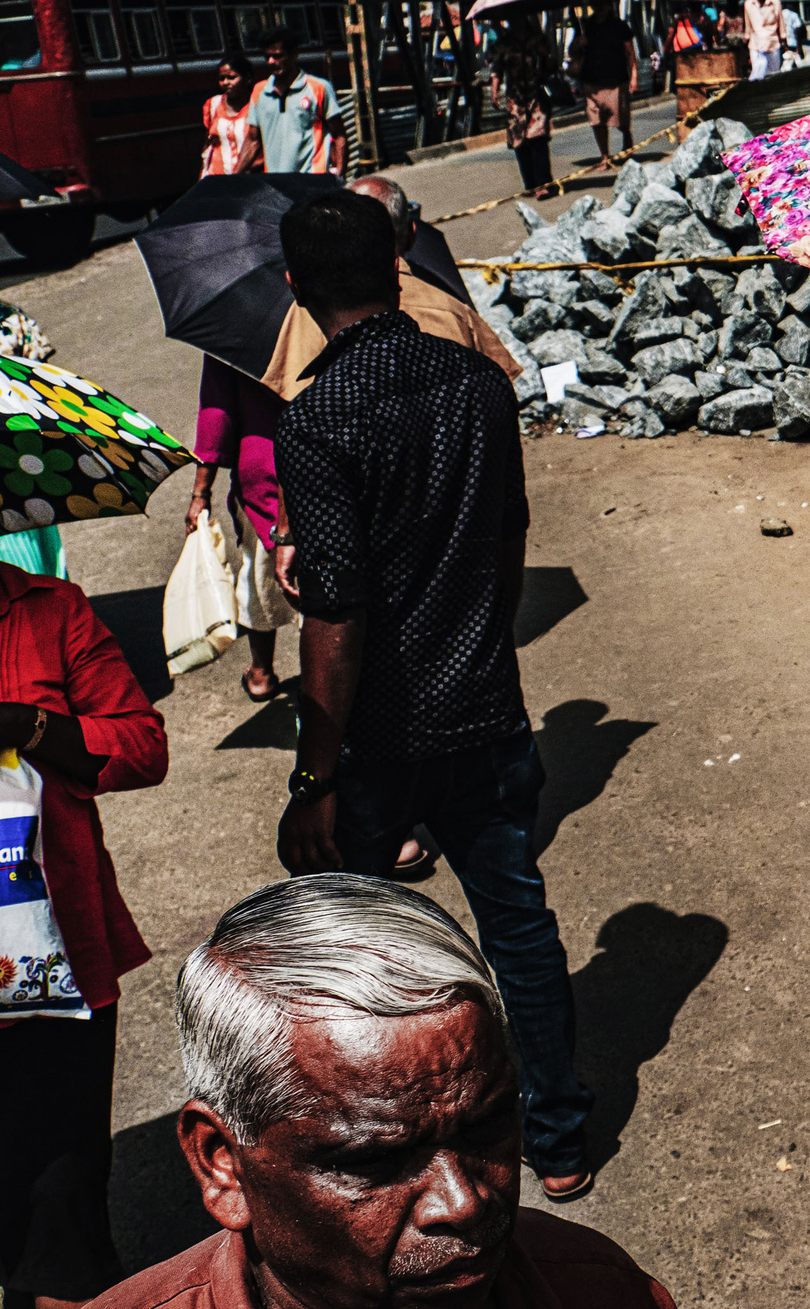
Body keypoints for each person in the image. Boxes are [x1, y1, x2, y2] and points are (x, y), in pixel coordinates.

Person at [268, 192, 595, 1202]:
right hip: (485, 709)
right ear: (399, 264)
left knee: (354, 948)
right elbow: (508, 534)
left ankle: (383, 1142)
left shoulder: (316, 417)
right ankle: (560, 1137)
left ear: (295, 286)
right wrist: (480, 641)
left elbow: (338, 615)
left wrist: (315, 776)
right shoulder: (477, 384)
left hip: (378, 737)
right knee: (519, 929)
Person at [92, 873, 672, 1309]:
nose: (463, 1204)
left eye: (488, 1126)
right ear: (222, 1163)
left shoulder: (602, 1288)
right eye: (374, 1161)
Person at [0, 559, 168, 1309]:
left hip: (53, 961)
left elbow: (142, 746)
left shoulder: (48, 609)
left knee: (61, 1214)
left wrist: (29, 726)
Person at [187, 363, 297, 706]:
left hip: (264, 478)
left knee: (260, 577)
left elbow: (217, 415)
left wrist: (201, 493)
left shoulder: (235, 335)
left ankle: (261, 672)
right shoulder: (330, 328)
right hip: (335, 470)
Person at [249, 30, 346, 178]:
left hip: (313, 179)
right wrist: (233, 177)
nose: (270, 62)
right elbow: (252, 141)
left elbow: (339, 135)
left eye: (277, 56)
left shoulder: (318, 87)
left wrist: (340, 174)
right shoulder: (259, 91)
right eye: (267, 57)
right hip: (276, 182)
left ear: (294, 55)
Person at [488, 18, 556, 197]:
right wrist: (494, 91)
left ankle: (543, 183)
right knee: (519, 142)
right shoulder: (503, 44)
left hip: (536, 95)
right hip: (515, 99)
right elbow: (496, 69)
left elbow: (551, 66)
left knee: (538, 138)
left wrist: (545, 54)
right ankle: (530, 184)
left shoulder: (538, 39)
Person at [566, 6, 634, 164]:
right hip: (591, 81)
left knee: (621, 119)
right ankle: (605, 156)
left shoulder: (618, 25)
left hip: (615, 80)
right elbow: (572, 51)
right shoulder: (585, 26)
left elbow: (629, 52)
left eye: (603, 2)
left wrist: (634, 76)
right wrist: (579, 42)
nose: (600, 6)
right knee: (597, 121)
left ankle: (627, 136)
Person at [200, 53, 265, 178]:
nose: (225, 82)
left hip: (251, 178)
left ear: (247, 79)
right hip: (218, 179)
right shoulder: (213, 104)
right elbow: (208, 147)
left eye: (231, 77)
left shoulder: (257, 105)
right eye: (222, 78)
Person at [744, 0, 785, 80]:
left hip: (772, 42)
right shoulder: (749, 3)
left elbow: (780, 21)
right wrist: (746, 39)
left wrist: (783, 38)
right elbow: (748, 24)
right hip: (756, 43)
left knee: (774, 75)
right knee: (757, 73)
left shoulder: (774, 2)